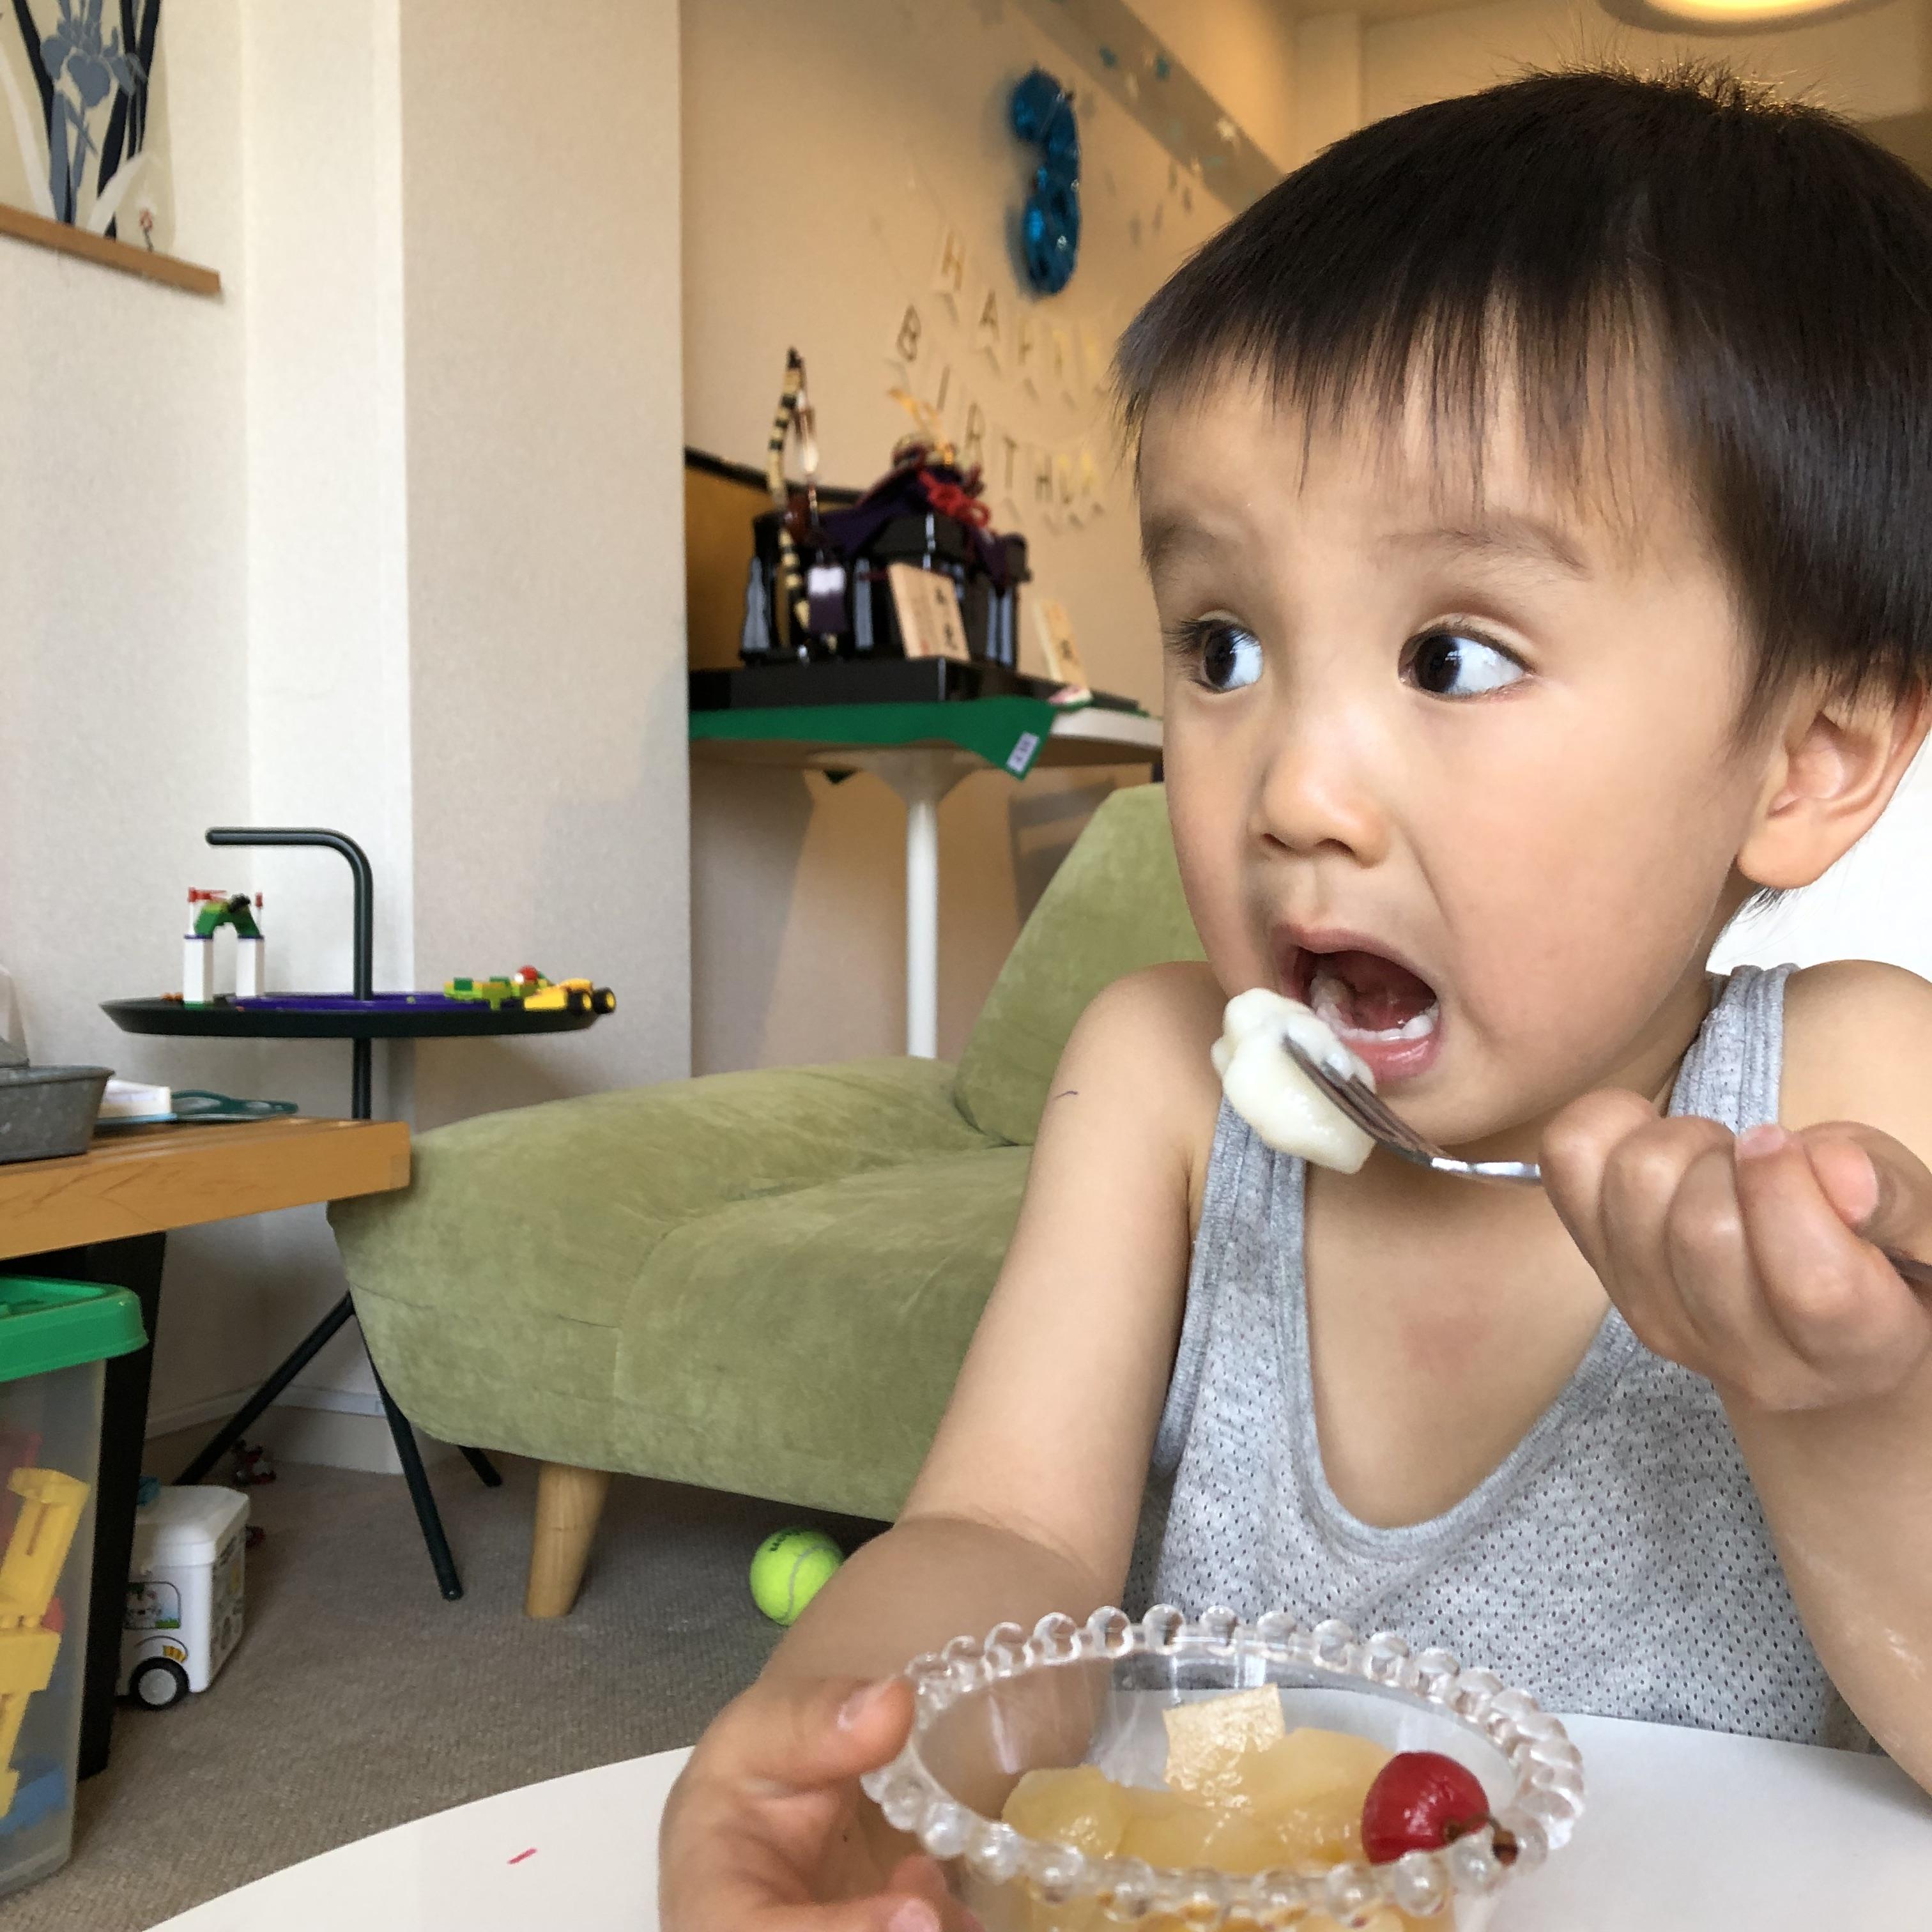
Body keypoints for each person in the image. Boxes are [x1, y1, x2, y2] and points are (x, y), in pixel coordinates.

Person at [661, 64, 1932, 1930]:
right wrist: (867, 1755)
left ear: (1809, 754)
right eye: (1224, 645)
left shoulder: (1847, 1096)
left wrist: (1851, 1404)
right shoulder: (1161, 1085)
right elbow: (1005, 1538)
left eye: (1454, 655)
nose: (1296, 794)